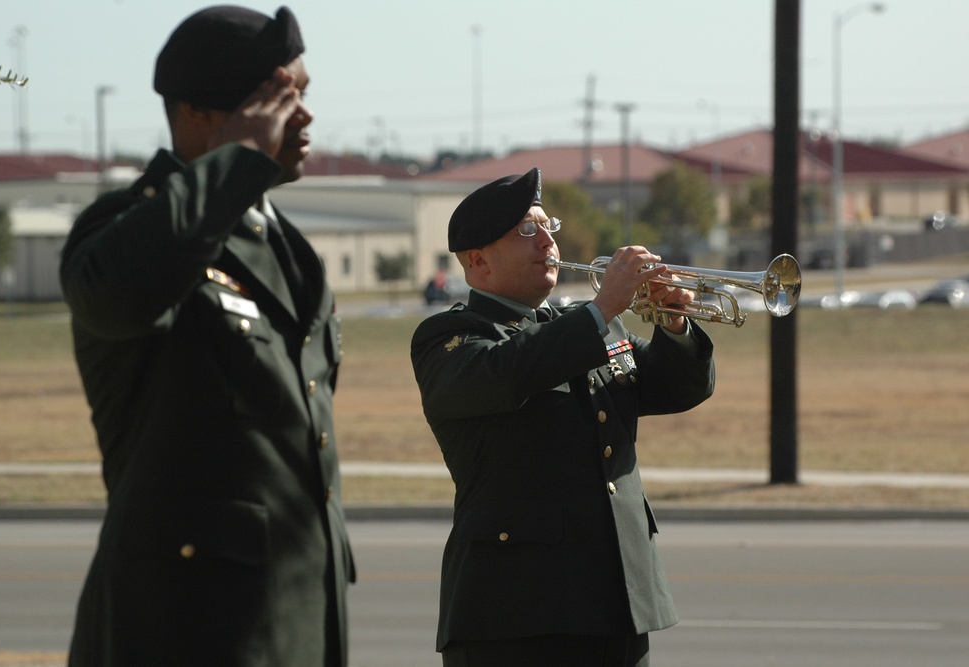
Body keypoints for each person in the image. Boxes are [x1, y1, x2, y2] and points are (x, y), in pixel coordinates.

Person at [59, 6, 353, 666]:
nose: (299, 116)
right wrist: (243, 154)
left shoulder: (288, 249)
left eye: (301, 94)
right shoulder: (126, 226)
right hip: (183, 629)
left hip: (298, 622)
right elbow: (116, 295)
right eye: (274, 100)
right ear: (195, 112)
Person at [410, 168, 716, 667]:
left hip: (617, 602)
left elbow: (677, 387)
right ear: (478, 261)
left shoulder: (584, 327)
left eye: (548, 225)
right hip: (517, 614)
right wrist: (600, 310)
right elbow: (510, 371)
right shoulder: (451, 338)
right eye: (526, 231)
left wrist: (676, 324)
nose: (548, 241)